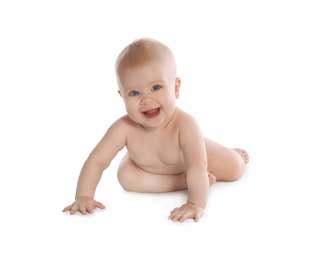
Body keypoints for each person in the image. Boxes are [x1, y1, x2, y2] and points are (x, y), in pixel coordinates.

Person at [62, 38, 249, 222]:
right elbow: (96, 161)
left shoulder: (185, 125)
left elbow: (197, 165)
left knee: (234, 170)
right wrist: (83, 196)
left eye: (156, 87)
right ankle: (183, 181)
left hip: (196, 158)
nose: (146, 100)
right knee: (126, 177)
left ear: (175, 88)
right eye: (134, 93)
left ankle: (232, 156)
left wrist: (195, 203)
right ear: (122, 96)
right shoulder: (124, 127)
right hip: (148, 165)